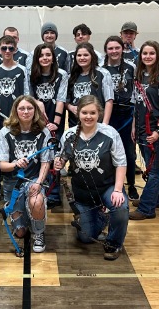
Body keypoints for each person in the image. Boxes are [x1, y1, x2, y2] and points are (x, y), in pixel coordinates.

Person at [54, 95, 129, 261]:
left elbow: (121, 163)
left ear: (99, 114)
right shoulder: (69, 134)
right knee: (85, 238)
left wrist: (118, 190)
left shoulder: (110, 133)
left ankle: (114, 243)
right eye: (85, 112)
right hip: (82, 192)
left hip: (107, 187)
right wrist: (59, 162)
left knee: (120, 206)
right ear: (78, 113)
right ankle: (103, 216)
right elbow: (62, 157)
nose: (88, 116)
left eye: (93, 113)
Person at [0, 95, 52, 253]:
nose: (26, 111)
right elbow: (2, 166)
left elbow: (46, 162)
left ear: (35, 111)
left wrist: (39, 182)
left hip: (33, 179)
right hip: (13, 183)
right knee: (20, 232)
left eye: (29, 108)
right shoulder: (5, 132)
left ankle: (39, 233)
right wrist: (15, 164)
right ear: (15, 111)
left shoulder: (44, 132)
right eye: (22, 108)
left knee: (36, 201)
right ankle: (25, 213)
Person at [129, 41, 159, 220]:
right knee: (149, 165)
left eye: (152, 53)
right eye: (145, 53)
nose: (148, 56)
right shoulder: (139, 76)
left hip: (154, 129)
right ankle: (154, 199)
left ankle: (147, 209)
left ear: (158, 55)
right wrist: (134, 126)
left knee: (152, 169)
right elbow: (136, 104)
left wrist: (157, 132)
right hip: (140, 127)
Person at [0, 35, 30, 200]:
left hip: (16, 122)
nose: (7, 51)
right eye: (4, 48)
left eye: (10, 48)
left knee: (16, 156)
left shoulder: (22, 70)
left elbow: (26, 94)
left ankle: (16, 188)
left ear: (15, 49)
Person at [29, 43, 68, 208]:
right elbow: (29, 97)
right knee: (39, 157)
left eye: (48, 55)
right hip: (36, 122)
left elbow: (61, 99)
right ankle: (38, 189)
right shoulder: (31, 74)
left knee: (54, 158)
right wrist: (37, 103)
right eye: (41, 55)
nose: (45, 58)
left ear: (53, 58)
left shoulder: (62, 75)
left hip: (54, 121)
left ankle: (53, 194)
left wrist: (55, 123)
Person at [103, 35, 139, 201]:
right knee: (108, 152)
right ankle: (113, 185)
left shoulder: (132, 67)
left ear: (122, 49)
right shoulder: (101, 69)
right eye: (110, 48)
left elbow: (137, 92)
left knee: (129, 153)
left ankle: (131, 184)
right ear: (106, 50)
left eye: (117, 48)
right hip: (108, 115)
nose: (114, 51)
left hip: (127, 115)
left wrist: (135, 119)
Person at [66, 42, 114, 127]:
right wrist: (71, 107)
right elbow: (65, 100)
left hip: (97, 123)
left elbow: (109, 100)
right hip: (75, 124)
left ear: (92, 56)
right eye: (79, 55)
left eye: (86, 55)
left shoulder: (103, 73)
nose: (82, 58)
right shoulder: (71, 76)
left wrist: (105, 124)